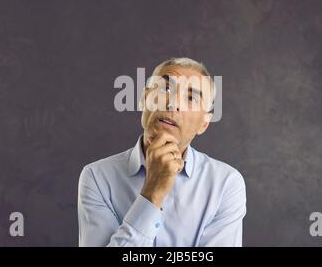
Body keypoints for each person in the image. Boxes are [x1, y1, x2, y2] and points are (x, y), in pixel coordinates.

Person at [78, 57, 246, 246]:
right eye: (165, 89)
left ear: (204, 123)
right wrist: (152, 193)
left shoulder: (226, 184)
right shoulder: (97, 177)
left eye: (191, 98)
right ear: (144, 99)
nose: (173, 103)